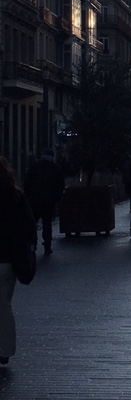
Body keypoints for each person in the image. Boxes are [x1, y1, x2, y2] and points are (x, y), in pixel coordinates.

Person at [0, 156, 37, 366]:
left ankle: (4, 348)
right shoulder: (16, 196)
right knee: (4, 304)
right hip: (9, 259)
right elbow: (29, 227)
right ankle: (4, 349)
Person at [23, 148, 65, 255]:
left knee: (33, 223)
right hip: (49, 201)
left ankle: (32, 244)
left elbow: (27, 182)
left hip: (34, 199)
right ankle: (47, 245)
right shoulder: (56, 168)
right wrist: (57, 198)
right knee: (47, 223)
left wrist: (27, 196)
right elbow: (60, 185)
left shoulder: (35, 166)